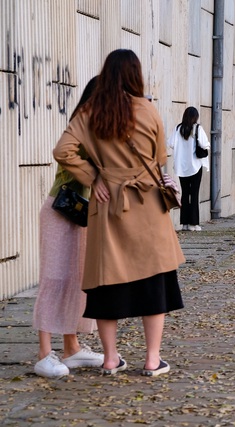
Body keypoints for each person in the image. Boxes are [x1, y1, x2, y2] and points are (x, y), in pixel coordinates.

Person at [53, 49, 186, 377]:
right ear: (135, 75)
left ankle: (111, 359)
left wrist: (94, 175)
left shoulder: (88, 112)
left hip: (108, 203)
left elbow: (63, 151)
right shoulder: (148, 109)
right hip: (147, 206)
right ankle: (153, 360)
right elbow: (158, 157)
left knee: (105, 283)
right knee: (155, 280)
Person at [32, 77, 104, 379]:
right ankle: (44, 354)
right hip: (60, 209)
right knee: (54, 278)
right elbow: (62, 153)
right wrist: (95, 177)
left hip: (79, 213)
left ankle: (71, 347)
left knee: (76, 280)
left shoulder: (96, 124)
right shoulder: (82, 122)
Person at [167, 107, 210, 231]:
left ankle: (184, 223)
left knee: (185, 194)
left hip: (181, 167)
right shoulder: (198, 128)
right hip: (195, 166)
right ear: (195, 117)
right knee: (194, 193)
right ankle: (194, 224)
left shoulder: (178, 129)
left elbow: (170, 143)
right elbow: (204, 144)